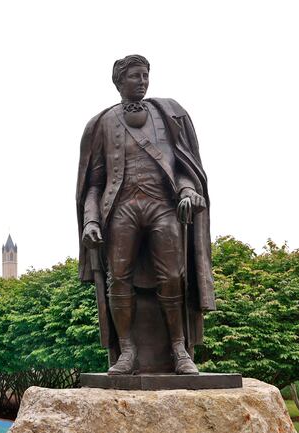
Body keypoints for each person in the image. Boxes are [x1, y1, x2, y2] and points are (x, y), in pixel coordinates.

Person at [76, 54, 215, 375]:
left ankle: (179, 350)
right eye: (135, 76)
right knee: (118, 278)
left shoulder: (168, 114)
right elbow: (93, 183)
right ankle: (127, 351)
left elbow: (181, 164)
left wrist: (187, 190)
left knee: (173, 276)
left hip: (162, 206)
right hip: (120, 209)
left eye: (145, 76)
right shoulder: (101, 123)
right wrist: (91, 220)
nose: (142, 81)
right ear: (119, 81)